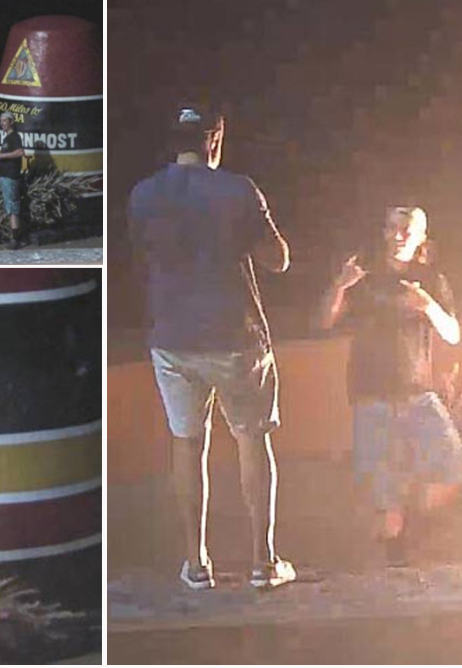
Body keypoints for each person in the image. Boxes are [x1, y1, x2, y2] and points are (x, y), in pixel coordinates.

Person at [128, 103, 313, 590]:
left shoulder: (142, 194)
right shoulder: (238, 190)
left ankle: (195, 563)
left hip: (171, 338)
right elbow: (278, 261)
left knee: (187, 443)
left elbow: (142, 257)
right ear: (215, 139)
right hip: (235, 336)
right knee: (252, 439)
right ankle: (263, 562)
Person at [318, 206, 462, 567]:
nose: (400, 235)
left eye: (408, 230)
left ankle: (416, 530)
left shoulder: (430, 280)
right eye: (394, 228)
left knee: (452, 466)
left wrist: (427, 305)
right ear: (384, 232)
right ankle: (395, 564)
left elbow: (453, 334)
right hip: (372, 396)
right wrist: (340, 285)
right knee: (384, 499)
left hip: (419, 394)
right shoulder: (363, 278)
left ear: (420, 238)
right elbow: (324, 321)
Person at [0, 112, 26, 249]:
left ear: (11, 122)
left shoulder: (14, 137)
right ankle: (13, 236)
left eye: (5, 121)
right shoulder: (7, 138)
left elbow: (20, 152)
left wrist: (2, 156)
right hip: (5, 176)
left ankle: (15, 239)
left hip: (10, 177)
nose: (2, 123)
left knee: (13, 207)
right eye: (1, 121)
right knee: (9, 206)